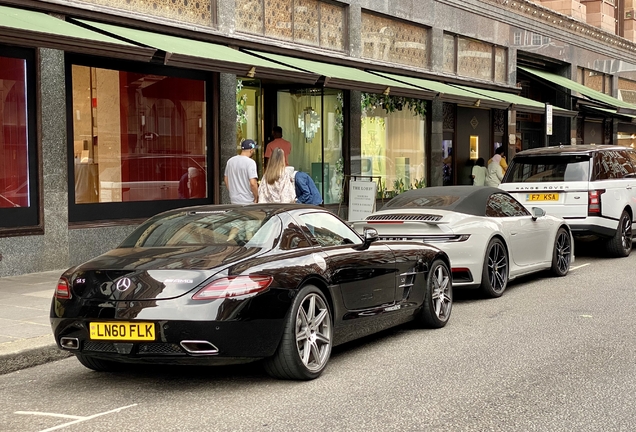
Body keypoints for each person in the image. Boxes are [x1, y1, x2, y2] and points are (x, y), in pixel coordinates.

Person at [224, 139, 259, 205]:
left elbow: (226, 179)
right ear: (251, 150)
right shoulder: (250, 162)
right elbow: (253, 183)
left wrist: (232, 191)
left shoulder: (230, 161)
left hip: (234, 200)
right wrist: (256, 196)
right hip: (248, 201)